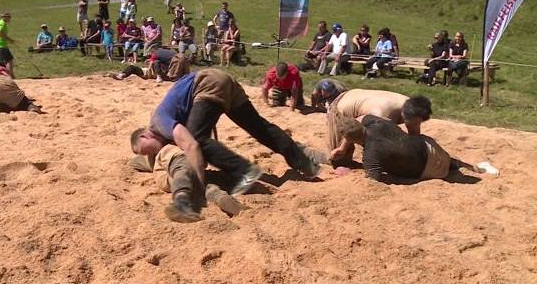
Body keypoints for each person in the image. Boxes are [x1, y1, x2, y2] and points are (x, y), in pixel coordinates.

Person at [131, 69, 322, 199]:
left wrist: (198, 184)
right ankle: (304, 163)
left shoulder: (158, 122)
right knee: (259, 128)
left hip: (206, 83)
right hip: (223, 82)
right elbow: (203, 127)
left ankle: (245, 172)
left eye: (144, 150)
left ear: (145, 136)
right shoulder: (166, 129)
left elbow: (193, 144)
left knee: (195, 139)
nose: (149, 155)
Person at [335, 114, 484, 183]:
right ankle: (466, 166)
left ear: (348, 139)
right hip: (432, 148)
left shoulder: (370, 155)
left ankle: (451, 169)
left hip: (429, 171)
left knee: (409, 163)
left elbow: (374, 179)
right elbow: (383, 122)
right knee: (410, 149)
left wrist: (347, 174)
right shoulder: (371, 120)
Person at [128, 142, 246, 223]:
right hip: (174, 172)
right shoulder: (165, 149)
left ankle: (218, 194)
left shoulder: (160, 149)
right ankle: (218, 195)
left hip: (172, 176)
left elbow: (134, 163)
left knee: (202, 181)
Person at [327, 90, 432, 165]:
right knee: (341, 159)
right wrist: (342, 148)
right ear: (405, 116)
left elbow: (414, 135)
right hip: (341, 106)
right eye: (413, 123)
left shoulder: (413, 106)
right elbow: (355, 126)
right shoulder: (380, 114)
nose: (415, 126)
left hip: (361, 96)